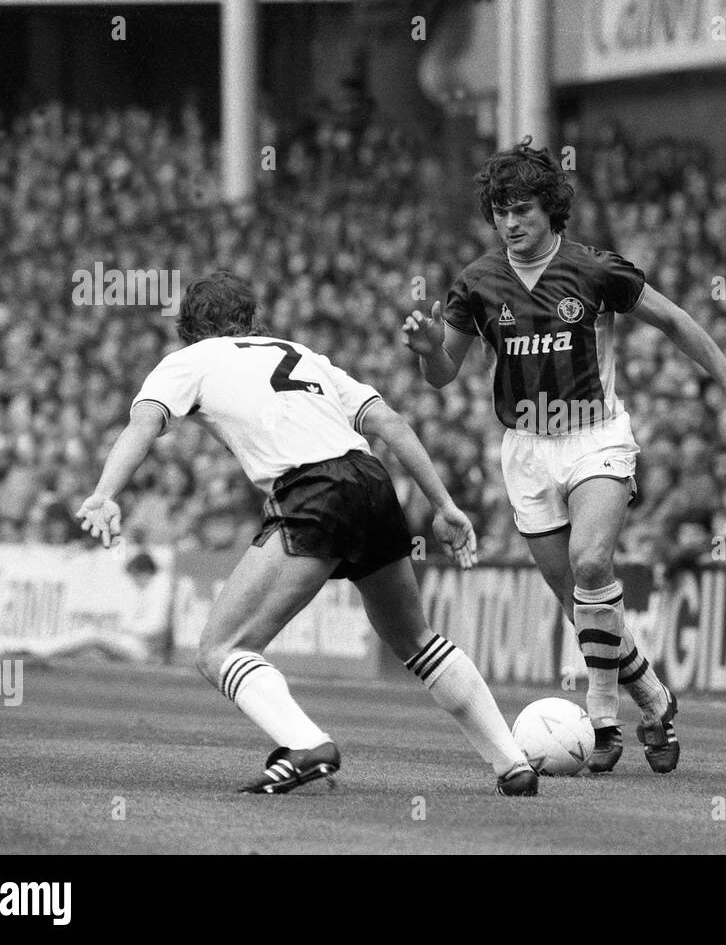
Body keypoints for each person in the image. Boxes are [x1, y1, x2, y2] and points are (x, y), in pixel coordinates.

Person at [77, 271, 538, 797]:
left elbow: (144, 423)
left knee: (219, 649)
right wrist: (445, 505)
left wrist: (104, 493)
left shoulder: (188, 361)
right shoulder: (303, 354)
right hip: (371, 482)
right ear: (251, 319)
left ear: (189, 329)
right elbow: (388, 423)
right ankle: (511, 763)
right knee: (415, 639)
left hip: (312, 492)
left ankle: (305, 743)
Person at [401, 138, 726, 773]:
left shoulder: (595, 270)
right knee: (579, 597)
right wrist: (433, 347)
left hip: (594, 435)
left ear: (551, 210)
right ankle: (653, 698)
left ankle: (603, 720)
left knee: (593, 561)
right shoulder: (478, 284)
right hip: (525, 451)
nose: (510, 223)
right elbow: (444, 375)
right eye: (500, 211)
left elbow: (677, 321)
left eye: (522, 209)